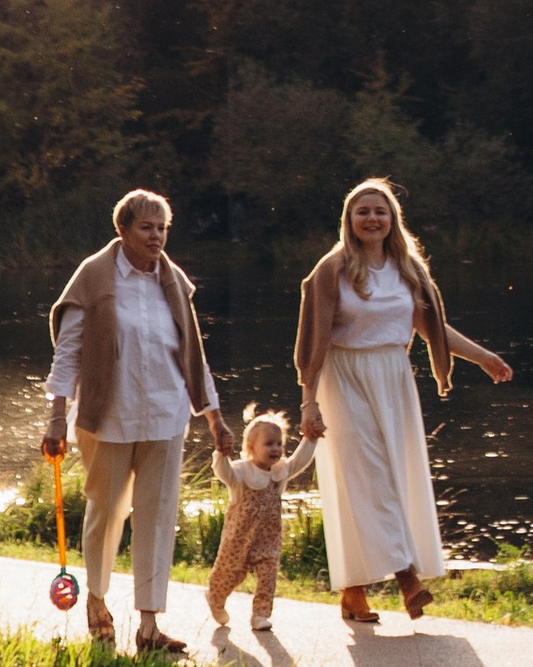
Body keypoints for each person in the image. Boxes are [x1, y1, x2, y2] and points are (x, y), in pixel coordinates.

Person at [295, 176, 512, 625]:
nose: (371, 219)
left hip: (394, 376)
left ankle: (353, 592)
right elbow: (312, 342)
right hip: (345, 375)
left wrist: (482, 356)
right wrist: (308, 402)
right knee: (366, 476)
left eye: (380, 211)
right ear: (349, 220)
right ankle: (406, 577)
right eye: (362, 212)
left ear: (392, 219)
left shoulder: (407, 268)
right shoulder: (331, 270)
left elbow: (430, 328)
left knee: (391, 478)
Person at [41, 188, 232, 653]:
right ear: (122, 230)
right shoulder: (94, 277)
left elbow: (194, 356)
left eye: (163, 227)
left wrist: (215, 418)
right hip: (109, 417)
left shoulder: (173, 281)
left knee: (158, 517)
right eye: (146, 227)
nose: (156, 236)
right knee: (107, 512)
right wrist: (56, 418)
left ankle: (149, 626)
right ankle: (98, 601)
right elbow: (68, 354)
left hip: (166, 416)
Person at [205, 411, 316, 634]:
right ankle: (215, 597)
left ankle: (261, 614)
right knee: (229, 575)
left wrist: (310, 439)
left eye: (278, 444)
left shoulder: (279, 472)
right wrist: (221, 453)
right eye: (268, 444)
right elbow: (223, 471)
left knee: (268, 574)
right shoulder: (241, 473)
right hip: (239, 538)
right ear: (251, 447)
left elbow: (298, 462)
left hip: (268, 538)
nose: (275, 449)